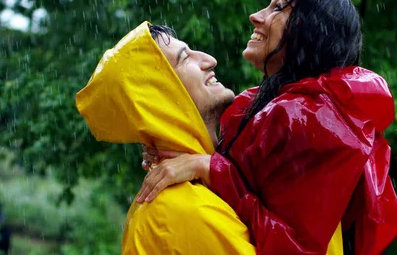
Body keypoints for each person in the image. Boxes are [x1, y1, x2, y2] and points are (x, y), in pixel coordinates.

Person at [137, 0, 397, 255]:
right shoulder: (273, 103)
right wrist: (166, 140)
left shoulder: (312, 120)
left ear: (310, 31)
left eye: (278, 7)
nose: (256, 17)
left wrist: (207, 168)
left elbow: (291, 247)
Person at [75, 21, 343, 254]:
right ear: (162, 97)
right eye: (184, 58)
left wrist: (208, 166)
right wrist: (313, 165)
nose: (209, 59)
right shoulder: (179, 212)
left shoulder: (217, 178)